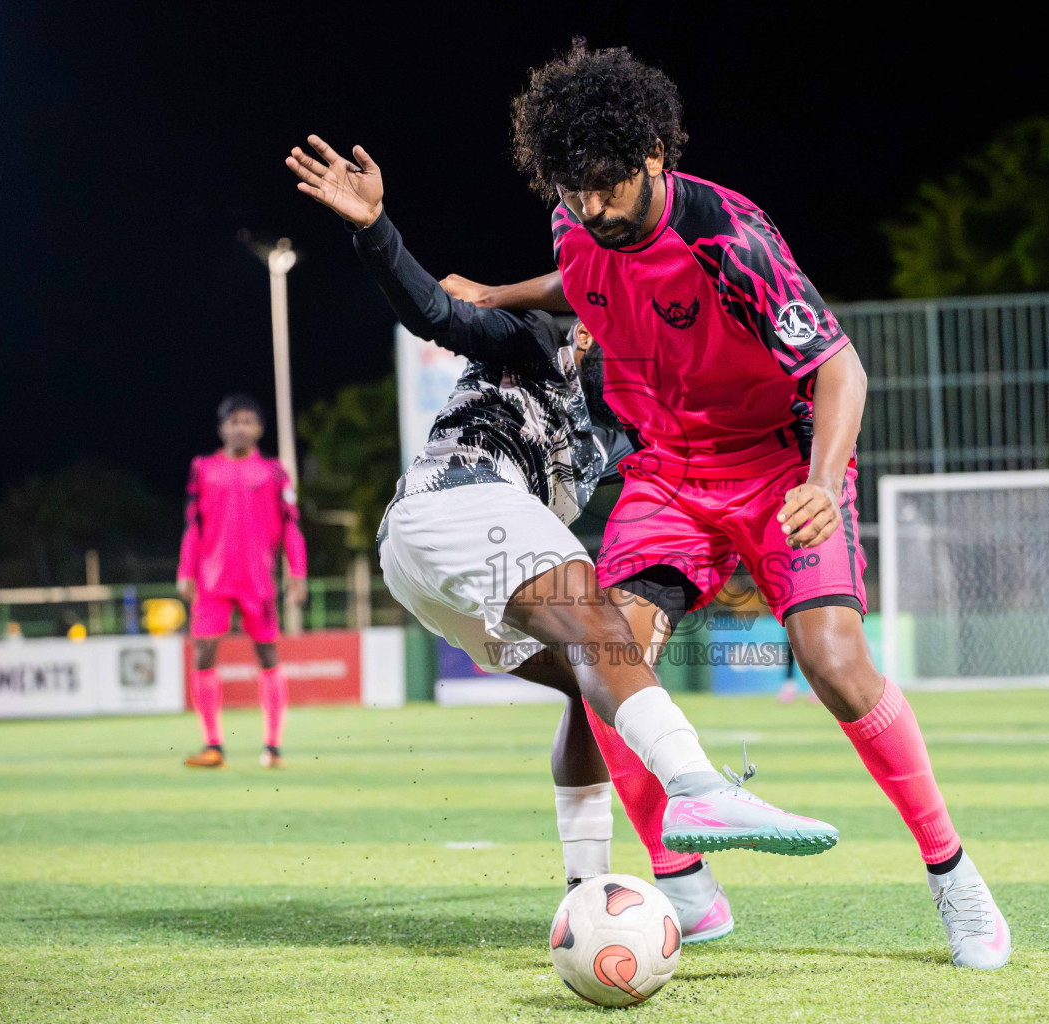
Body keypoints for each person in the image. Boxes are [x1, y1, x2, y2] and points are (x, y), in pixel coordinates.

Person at [448, 41, 1011, 970]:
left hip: (776, 465)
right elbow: (583, 282)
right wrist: (498, 292)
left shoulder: (727, 237)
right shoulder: (575, 224)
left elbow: (840, 366)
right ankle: (684, 883)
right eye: (571, 189)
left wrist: (823, 486)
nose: (591, 208)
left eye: (606, 186)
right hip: (666, 474)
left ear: (654, 155)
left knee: (833, 663)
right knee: (603, 660)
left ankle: (953, 874)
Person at [283, 133, 838, 940]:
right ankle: (697, 786)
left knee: (597, 677)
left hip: (430, 555)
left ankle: (592, 894)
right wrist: (376, 229)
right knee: (601, 630)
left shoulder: (624, 423)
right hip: (456, 500)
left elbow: (681, 481)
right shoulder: (535, 340)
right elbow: (433, 310)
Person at [177, 395, 308, 770]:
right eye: (233, 421)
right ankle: (213, 745)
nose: (240, 427)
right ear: (222, 428)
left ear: (259, 429)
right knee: (202, 653)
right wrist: (185, 570)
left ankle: (273, 746)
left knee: (268, 656)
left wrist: (297, 571)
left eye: (248, 421)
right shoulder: (202, 468)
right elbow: (192, 524)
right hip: (212, 580)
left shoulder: (273, 472)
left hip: (257, 581)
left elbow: (291, 526)